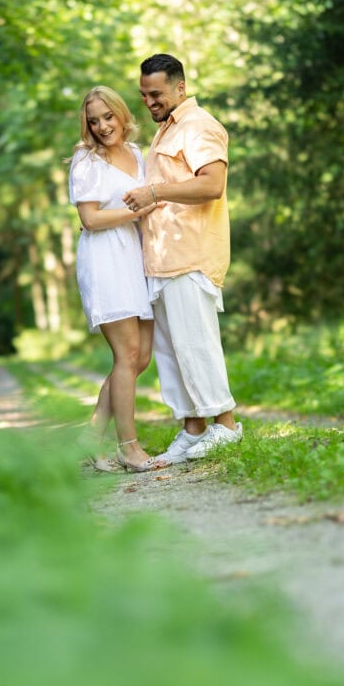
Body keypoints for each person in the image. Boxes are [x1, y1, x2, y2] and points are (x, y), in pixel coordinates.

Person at [122, 54, 242, 464]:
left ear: (180, 88)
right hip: (160, 259)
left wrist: (155, 194)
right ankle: (192, 431)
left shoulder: (199, 126)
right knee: (171, 353)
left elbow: (212, 184)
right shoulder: (163, 133)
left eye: (156, 93)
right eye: (143, 95)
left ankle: (225, 426)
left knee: (196, 345)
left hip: (191, 256)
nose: (149, 102)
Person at [68, 85, 164, 473]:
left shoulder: (139, 154)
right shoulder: (86, 161)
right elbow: (89, 219)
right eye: (94, 121)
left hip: (135, 258)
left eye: (108, 117)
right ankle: (129, 447)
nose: (103, 126)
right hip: (105, 258)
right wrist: (138, 210)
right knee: (125, 356)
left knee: (140, 357)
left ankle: (89, 439)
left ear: (122, 115)